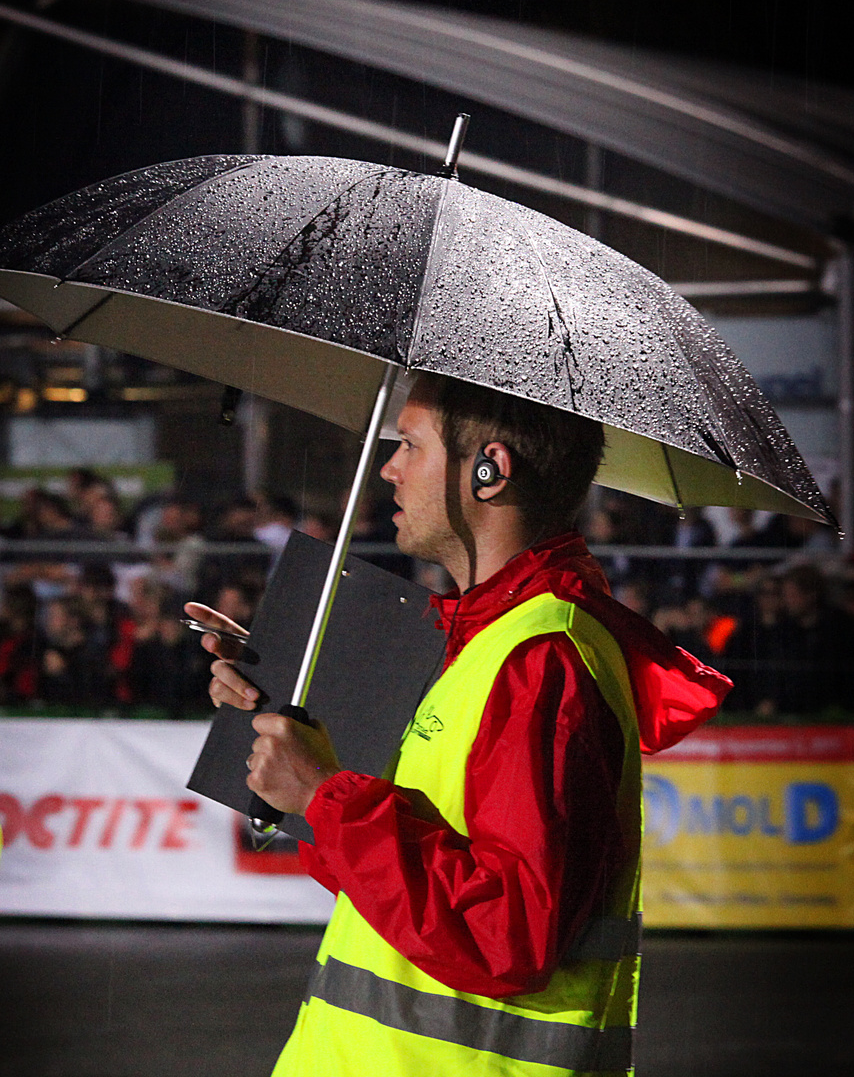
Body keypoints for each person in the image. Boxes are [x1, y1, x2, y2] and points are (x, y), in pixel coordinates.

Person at [186, 372, 731, 1076]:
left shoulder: (539, 663)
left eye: (409, 445)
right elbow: (392, 884)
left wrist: (325, 793)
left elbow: (505, 934)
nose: (388, 468)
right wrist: (281, 726)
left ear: (489, 470)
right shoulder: (482, 642)